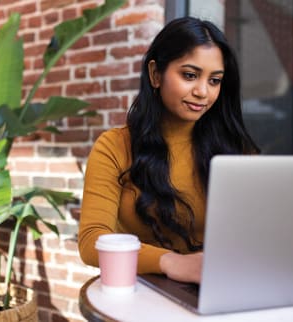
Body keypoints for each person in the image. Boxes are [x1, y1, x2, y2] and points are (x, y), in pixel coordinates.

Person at [78, 16, 259, 284]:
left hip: (218, 284)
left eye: (215, 80)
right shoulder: (114, 147)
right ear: (155, 74)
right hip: (142, 289)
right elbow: (92, 241)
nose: (203, 92)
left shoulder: (235, 148)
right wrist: (172, 262)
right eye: (190, 75)